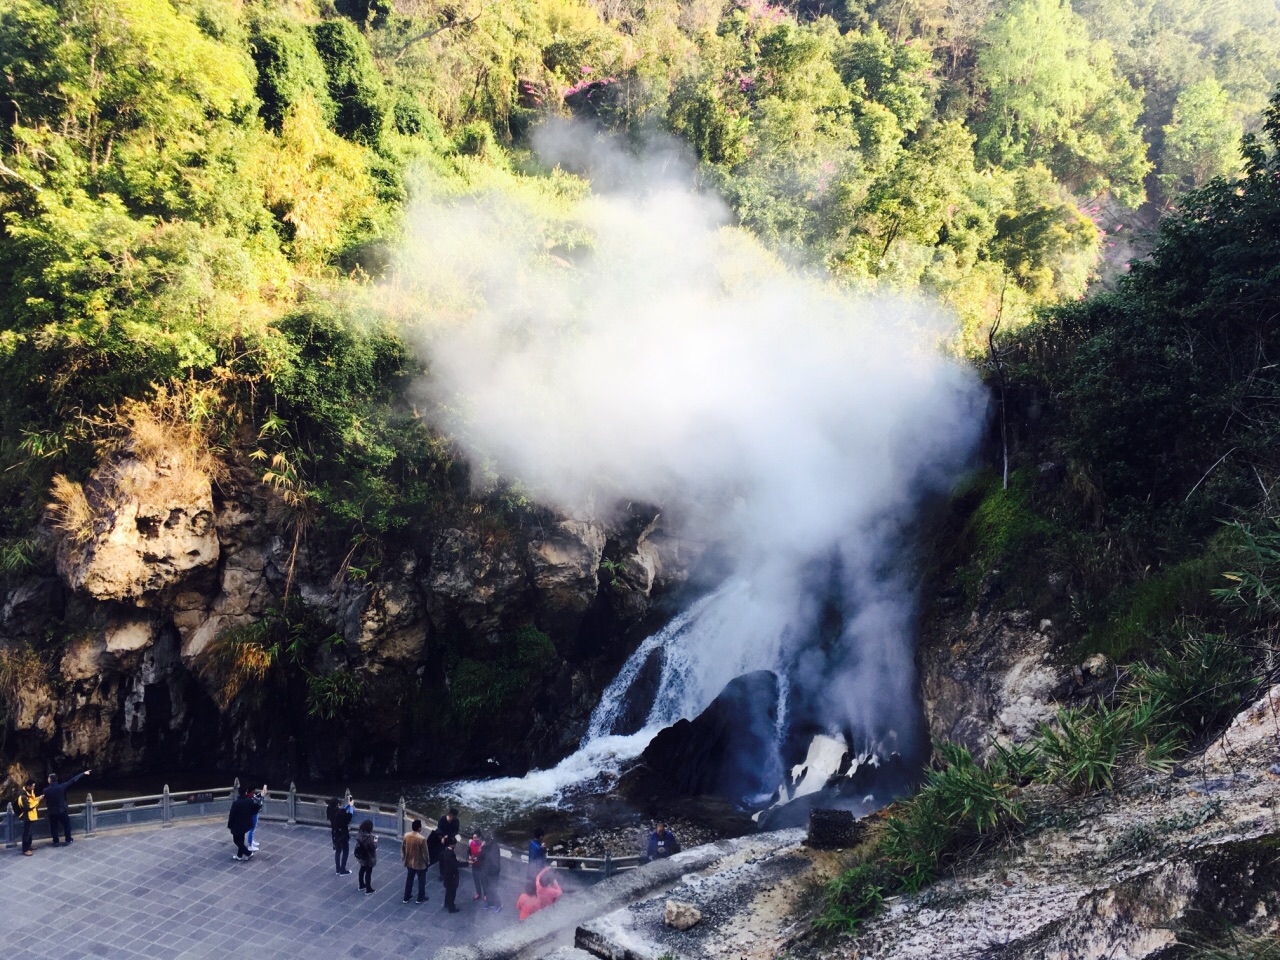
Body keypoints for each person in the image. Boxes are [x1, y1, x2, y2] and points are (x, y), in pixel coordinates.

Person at [42, 769, 90, 846]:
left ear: (49, 780)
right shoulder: (62, 787)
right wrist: (83, 773)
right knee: (66, 824)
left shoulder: (46, 790)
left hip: (51, 811)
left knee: (53, 826)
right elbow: (73, 780)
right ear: (56, 779)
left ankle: (56, 841)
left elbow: (44, 798)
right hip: (62, 810)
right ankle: (68, 839)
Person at [401, 818, 429, 904]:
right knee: (421, 881)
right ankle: (420, 898)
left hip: (409, 862)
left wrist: (404, 858)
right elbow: (425, 853)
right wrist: (427, 862)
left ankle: (406, 897)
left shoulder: (406, 835)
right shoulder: (421, 839)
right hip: (419, 863)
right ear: (419, 828)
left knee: (409, 879)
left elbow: (403, 848)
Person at [227, 787, 258, 862]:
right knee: (241, 839)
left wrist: (230, 825)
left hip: (237, 825)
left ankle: (248, 853)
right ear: (246, 792)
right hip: (246, 824)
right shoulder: (249, 801)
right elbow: (255, 809)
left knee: (236, 841)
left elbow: (232, 815)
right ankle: (239, 855)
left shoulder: (236, 803)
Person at [475, 833, 502, 912]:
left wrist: (481, 849)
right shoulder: (484, 847)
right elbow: (480, 857)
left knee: (493, 889)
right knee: (486, 889)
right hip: (485, 871)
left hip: (493, 873)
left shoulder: (495, 848)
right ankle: (489, 902)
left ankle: (497, 904)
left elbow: (494, 862)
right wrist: (481, 848)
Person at [327, 796, 354, 875]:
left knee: (338, 851)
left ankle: (337, 869)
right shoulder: (339, 815)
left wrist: (348, 805)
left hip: (335, 833)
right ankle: (342, 870)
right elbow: (349, 816)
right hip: (342, 834)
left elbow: (341, 811)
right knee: (345, 851)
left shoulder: (330, 810)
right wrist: (351, 806)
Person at [16, 779, 40, 856]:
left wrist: (37, 799)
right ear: (28, 787)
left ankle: (29, 846)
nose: (34, 787)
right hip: (27, 816)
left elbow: (32, 801)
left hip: (31, 815)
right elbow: (28, 807)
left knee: (30, 832)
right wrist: (38, 801)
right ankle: (25, 849)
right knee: (26, 833)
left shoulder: (30, 791)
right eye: (33, 786)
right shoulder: (23, 796)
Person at [354, 819, 378, 895]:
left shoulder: (359, 834)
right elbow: (373, 847)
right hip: (369, 856)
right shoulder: (369, 838)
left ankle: (361, 884)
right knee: (368, 872)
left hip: (361, 855)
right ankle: (368, 888)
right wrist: (376, 840)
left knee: (362, 869)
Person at [439, 836, 461, 913]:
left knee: (448, 890)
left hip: (446, 874)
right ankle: (451, 908)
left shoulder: (445, 851)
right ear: (452, 844)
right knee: (452, 892)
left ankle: (446, 903)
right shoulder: (451, 854)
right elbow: (456, 864)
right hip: (451, 875)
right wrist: (467, 863)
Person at [245, 784, 266, 852]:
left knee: (252, 828)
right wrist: (262, 796)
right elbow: (260, 804)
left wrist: (261, 794)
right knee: (252, 829)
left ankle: (251, 841)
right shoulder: (251, 798)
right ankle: (250, 845)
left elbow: (256, 797)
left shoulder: (249, 795)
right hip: (253, 814)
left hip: (252, 813)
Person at [526, 827, 547, 895]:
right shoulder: (538, 847)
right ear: (541, 837)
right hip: (537, 871)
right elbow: (538, 856)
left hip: (531, 869)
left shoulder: (531, 843)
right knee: (538, 887)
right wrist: (542, 848)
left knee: (533, 887)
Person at [469, 830, 486, 902]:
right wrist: (469, 856)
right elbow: (468, 852)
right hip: (474, 865)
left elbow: (484, 856)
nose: (475, 839)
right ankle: (478, 893)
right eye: (473, 838)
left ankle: (485, 894)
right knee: (476, 880)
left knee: (483, 881)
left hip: (481, 865)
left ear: (479, 838)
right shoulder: (471, 844)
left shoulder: (482, 845)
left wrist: (477, 858)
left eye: (476, 838)